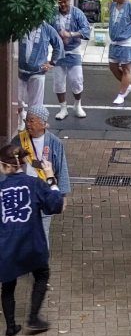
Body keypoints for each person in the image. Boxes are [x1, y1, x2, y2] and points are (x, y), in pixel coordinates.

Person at [0, 143, 63, 336]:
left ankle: (10, 327)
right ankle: (33, 318)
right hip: (32, 243)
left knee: (8, 285)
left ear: (4, 166)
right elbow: (55, 205)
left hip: (6, 247)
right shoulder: (34, 184)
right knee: (41, 275)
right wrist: (51, 176)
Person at [11, 105, 71, 245]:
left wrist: (63, 196)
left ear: (43, 124)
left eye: (32, 121)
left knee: (42, 234)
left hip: (44, 193)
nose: (28, 124)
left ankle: (41, 264)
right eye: (27, 120)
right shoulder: (18, 140)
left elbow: (61, 169)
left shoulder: (55, 143)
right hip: (23, 194)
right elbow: (9, 164)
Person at [51, 0, 91, 120]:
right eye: (60, 2)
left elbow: (86, 31)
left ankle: (77, 105)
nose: (62, 4)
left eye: (65, 1)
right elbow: (47, 30)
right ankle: (63, 108)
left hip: (73, 50)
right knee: (58, 81)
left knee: (77, 80)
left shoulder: (77, 13)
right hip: (58, 51)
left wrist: (71, 34)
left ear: (70, 0)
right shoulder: (52, 14)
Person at [17, 22, 64, 130]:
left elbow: (58, 44)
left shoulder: (47, 29)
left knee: (35, 104)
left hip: (38, 71)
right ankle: (21, 116)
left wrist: (52, 63)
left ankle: (33, 127)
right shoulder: (19, 25)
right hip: (20, 70)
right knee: (17, 98)